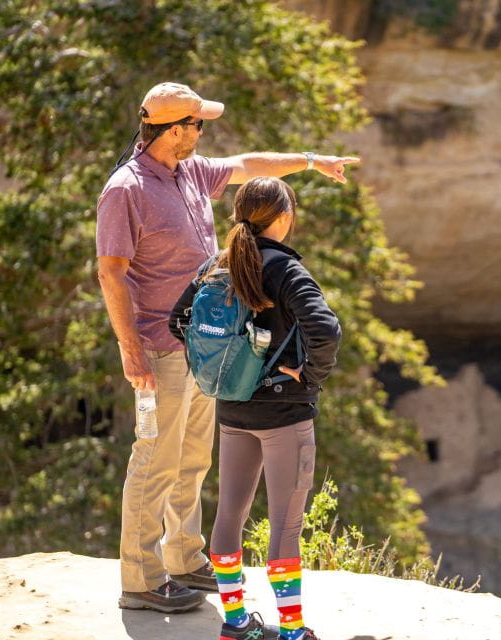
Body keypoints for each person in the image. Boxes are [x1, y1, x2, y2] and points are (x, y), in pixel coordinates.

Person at [96, 82, 358, 614]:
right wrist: (130, 350)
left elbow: (249, 163)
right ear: (175, 129)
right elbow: (111, 271)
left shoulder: (189, 171)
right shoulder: (125, 189)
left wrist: (311, 161)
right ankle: (141, 580)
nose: (202, 131)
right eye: (197, 123)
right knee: (156, 460)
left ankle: (184, 559)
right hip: (158, 348)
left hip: (207, 348)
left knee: (192, 461)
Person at [169, 177, 340, 640]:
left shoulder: (216, 265)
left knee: (229, 515)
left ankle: (236, 624)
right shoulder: (286, 270)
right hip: (285, 414)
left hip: (233, 408)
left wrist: (218, 368)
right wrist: (308, 376)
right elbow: (325, 330)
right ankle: (291, 631)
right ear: (284, 217)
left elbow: (178, 322)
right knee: (285, 524)